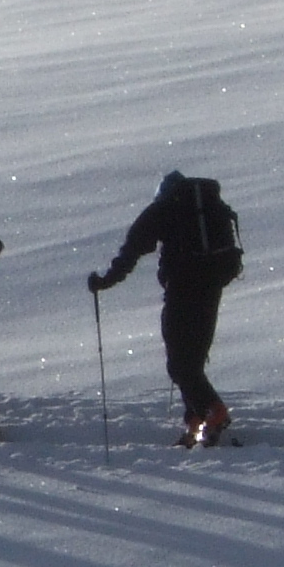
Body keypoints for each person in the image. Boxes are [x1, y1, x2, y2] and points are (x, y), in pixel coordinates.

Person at [87, 168, 241, 446]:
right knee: (193, 358)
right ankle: (197, 420)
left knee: (179, 362)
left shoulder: (164, 209)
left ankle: (212, 411)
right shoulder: (210, 208)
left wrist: (105, 281)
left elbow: (132, 249)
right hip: (212, 287)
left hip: (182, 288)